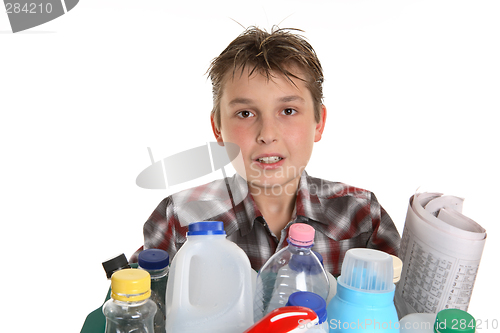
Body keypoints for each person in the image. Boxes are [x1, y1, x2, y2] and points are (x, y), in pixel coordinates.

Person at [130, 26, 400, 277]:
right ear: (218, 129)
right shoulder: (179, 219)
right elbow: (139, 313)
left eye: (288, 111)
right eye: (245, 113)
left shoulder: (363, 216)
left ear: (319, 124)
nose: (267, 134)